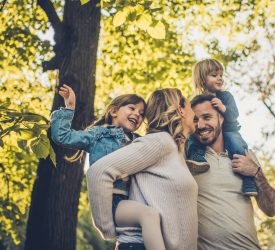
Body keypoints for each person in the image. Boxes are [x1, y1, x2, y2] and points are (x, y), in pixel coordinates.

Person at [50, 85, 166, 250]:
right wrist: (69, 108)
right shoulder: (98, 134)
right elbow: (62, 136)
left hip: (134, 199)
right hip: (112, 202)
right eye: (132, 108)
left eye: (141, 114)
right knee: (148, 216)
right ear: (113, 112)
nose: (137, 115)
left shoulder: (139, 141)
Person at [86, 88, 198, 250]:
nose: (194, 114)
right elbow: (98, 172)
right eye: (190, 107)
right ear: (180, 110)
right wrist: (106, 227)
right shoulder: (160, 142)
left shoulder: (175, 149)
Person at [190, 94, 275, 249]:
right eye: (195, 120)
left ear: (221, 118)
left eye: (207, 117)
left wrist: (256, 172)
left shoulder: (245, 156)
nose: (201, 125)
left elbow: (271, 209)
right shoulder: (190, 160)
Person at [185, 58, 258, 196]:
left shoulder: (226, 96)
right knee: (191, 137)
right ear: (202, 79)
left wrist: (223, 108)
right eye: (214, 75)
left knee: (236, 146)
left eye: (221, 76)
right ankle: (197, 157)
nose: (219, 79)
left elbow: (234, 114)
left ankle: (248, 181)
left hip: (229, 130)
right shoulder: (196, 101)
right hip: (208, 134)